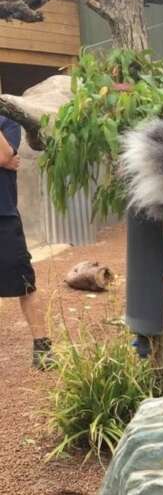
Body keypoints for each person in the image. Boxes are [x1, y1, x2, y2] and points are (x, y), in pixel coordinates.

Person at [0, 116, 52, 370]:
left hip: (4, 216)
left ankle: (42, 346)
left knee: (24, 282)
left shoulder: (6, 122)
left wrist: (7, 159)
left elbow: (3, 156)